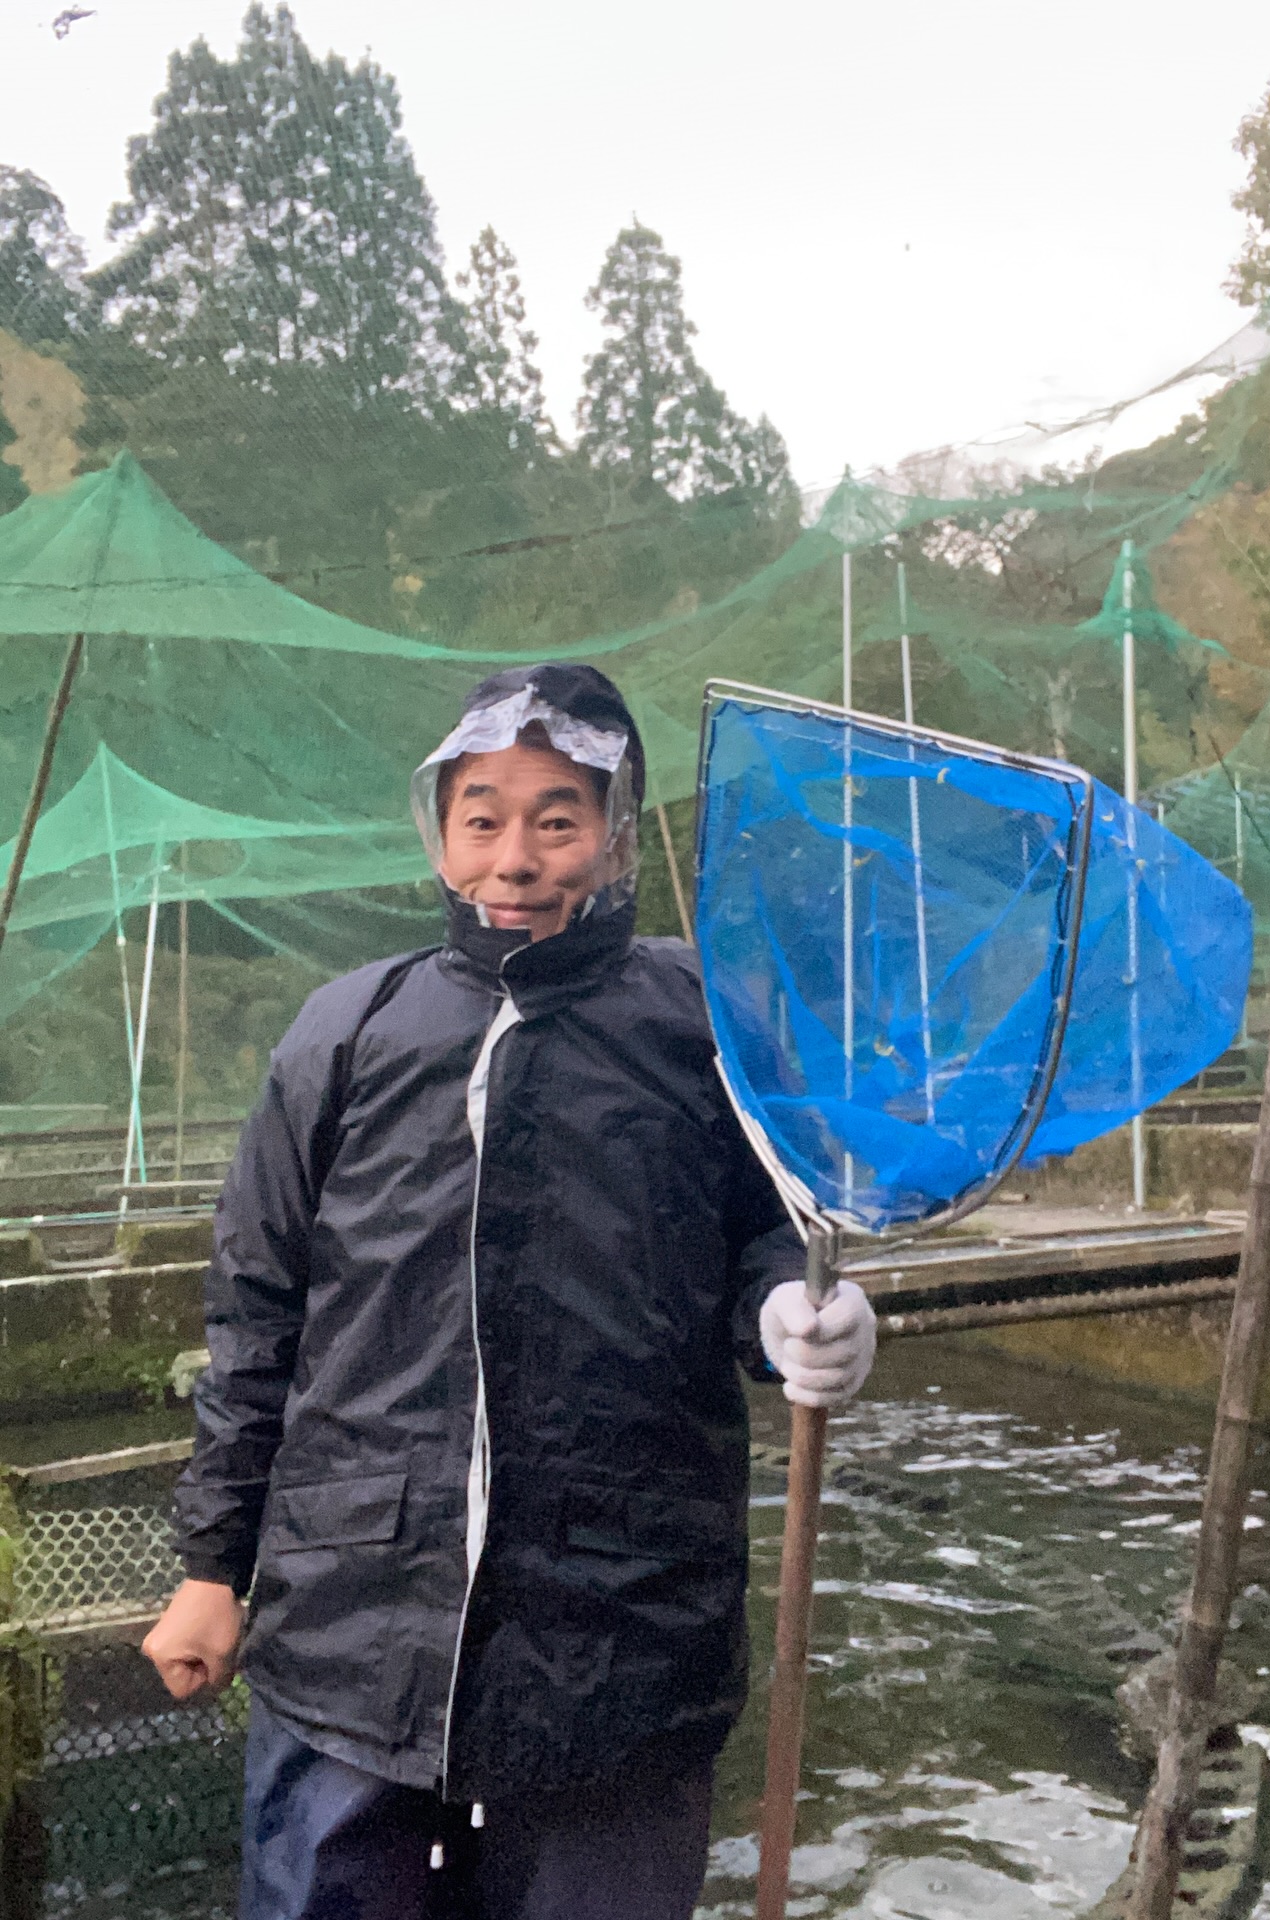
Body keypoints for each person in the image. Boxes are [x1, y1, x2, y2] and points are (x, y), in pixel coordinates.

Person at [142, 664, 878, 1920]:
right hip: (353, 1625)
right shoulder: (346, 1032)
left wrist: (791, 1317)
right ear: (441, 836)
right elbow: (259, 1312)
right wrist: (214, 1565)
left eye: (557, 819)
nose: (517, 859)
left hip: (625, 1631)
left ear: (617, 835)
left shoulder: (709, 1028)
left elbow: (771, 1235)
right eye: (482, 819)